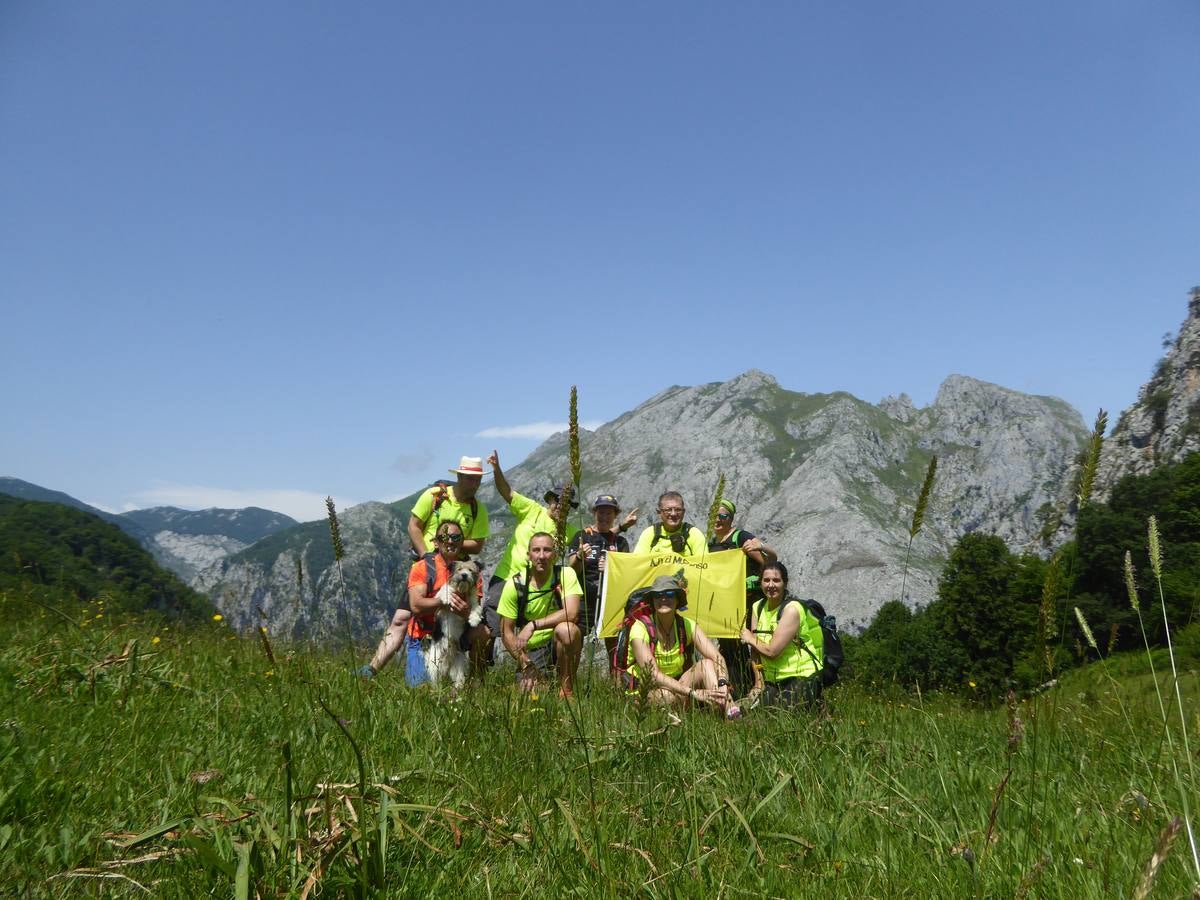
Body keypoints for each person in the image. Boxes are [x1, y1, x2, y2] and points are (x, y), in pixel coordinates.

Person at [362, 521, 486, 683]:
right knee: (423, 692)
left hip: (457, 643)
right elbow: (416, 606)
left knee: (485, 632)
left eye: (455, 537)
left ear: (462, 541)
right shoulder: (423, 567)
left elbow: (474, 612)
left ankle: (476, 681)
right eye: (444, 537)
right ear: (435, 542)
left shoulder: (472, 572)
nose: (450, 541)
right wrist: (443, 602)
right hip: (425, 640)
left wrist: (466, 611)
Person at [483, 450, 579, 643]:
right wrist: (497, 470)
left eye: (566, 503)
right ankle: (481, 671)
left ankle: (536, 667)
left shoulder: (570, 531)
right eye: (557, 501)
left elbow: (583, 547)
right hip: (507, 577)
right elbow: (507, 493)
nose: (560, 506)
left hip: (540, 585)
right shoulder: (532, 510)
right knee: (489, 630)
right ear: (550, 500)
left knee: (541, 632)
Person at [623, 573, 732, 715]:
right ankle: (707, 710)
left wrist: (723, 683)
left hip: (678, 686)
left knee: (707, 664)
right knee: (668, 698)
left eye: (669, 593)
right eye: (658, 595)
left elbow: (717, 658)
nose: (663, 598)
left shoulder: (686, 625)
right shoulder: (640, 628)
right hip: (645, 691)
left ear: (677, 600)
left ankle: (728, 711)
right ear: (652, 601)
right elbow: (653, 675)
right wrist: (693, 693)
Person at [497, 532, 584, 697]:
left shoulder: (566, 574)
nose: (542, 556)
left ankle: (566, 691)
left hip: (559, 641)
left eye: (547, 550)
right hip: (532, 650)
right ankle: (540, 679)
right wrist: (525, 663)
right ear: (528, 555)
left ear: (555, 555)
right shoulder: (515, 585)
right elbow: (506, 632)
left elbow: (571, 613)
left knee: (567, 630)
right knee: (532, 695)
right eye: (536, 550)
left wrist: (533, 624)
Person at [707, 498, 777, 696]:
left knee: (751, 641)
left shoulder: (741, 537)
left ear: (731, 519)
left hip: (749, 599)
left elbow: (767, 563)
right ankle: (735, 685)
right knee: (729, 644)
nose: (718, 520)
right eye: (715, 515)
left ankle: (758, 684)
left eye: (723, 516)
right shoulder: (710, 544)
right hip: (725, 602)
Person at [739, 561, 824, 707]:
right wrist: (758, 683)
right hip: (773, 681)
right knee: (750, 719)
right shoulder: (757, 607)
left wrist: (750, 638)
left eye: (776, 580)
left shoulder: (792, 609)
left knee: (780, 718)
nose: (771, 585)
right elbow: (756, 651)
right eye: (766, 580)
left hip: (800, 677)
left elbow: (772, 651)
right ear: (760, 583)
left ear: (785, 583)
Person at [566, 494, 638, 640]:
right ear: (594, 513)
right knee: (573, 638)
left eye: (609, 513)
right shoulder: (582, 536)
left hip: (609, 601)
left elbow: (625, 575)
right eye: (601, 512)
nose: (604, 517)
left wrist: (611, 570)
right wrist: (580, 557)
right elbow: (572, 571)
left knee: (614, 644)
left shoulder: (620, 542)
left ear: (615, 515)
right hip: (583, 600)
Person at [408, 456, 490, 558]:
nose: (474, 485)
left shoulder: (478, 509)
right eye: (470, 479)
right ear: (459, 476)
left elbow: (477, 546)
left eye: (478, 480)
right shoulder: (434, 495)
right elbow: (414, 526)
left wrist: (448, 540)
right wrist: (425, 555)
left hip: (455, 570)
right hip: (426, 565)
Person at [633, 491, 707, 556]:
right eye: (668, 510)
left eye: (678, 510)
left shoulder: (694, 534)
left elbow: (704, 565)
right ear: (659, 513)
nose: (673, 514)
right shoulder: (650, 533)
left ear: (683, 512)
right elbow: (638, 562)